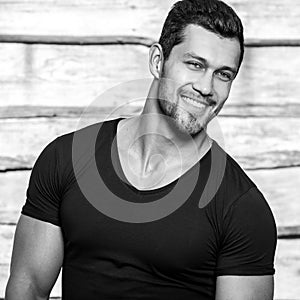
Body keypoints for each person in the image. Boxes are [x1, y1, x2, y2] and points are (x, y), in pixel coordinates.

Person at [5, 0, 277, 299]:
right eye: (195, 65)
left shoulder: (241, 207)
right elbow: (28, 287)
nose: (206, 87)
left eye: (223, 74)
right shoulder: (67, 158)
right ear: (158, 61)